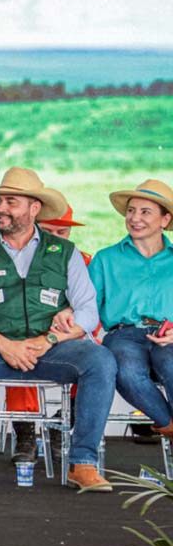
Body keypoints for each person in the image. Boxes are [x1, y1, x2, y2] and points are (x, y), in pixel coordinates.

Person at [0, 167, 116, 492]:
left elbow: (88, 313)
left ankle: (82, 464)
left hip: (51, 350)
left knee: (101, 360)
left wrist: (48, 339)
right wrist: (4, 344)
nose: (1, 208)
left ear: (34, 208)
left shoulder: (65, 252)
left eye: (11, 201)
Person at [86, 179, 173, 438]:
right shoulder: (105, 258)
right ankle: (168, 424)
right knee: (126, 371)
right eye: (131, 211)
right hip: (124, 335)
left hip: (169, 335)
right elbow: (86, 305)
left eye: (145, 212)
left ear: (164, 220)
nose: (135, 218)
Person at [6, 201, 89, 463]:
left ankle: (66, 421)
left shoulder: (83, 259)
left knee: (94, 353)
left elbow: (90, 305)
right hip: (31, 335)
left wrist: (66, 324)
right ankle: (26, 432)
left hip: (67, 334)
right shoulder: (17, 258)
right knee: (19, 346)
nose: (55, 238)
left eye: (61, 233)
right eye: (49, 231)